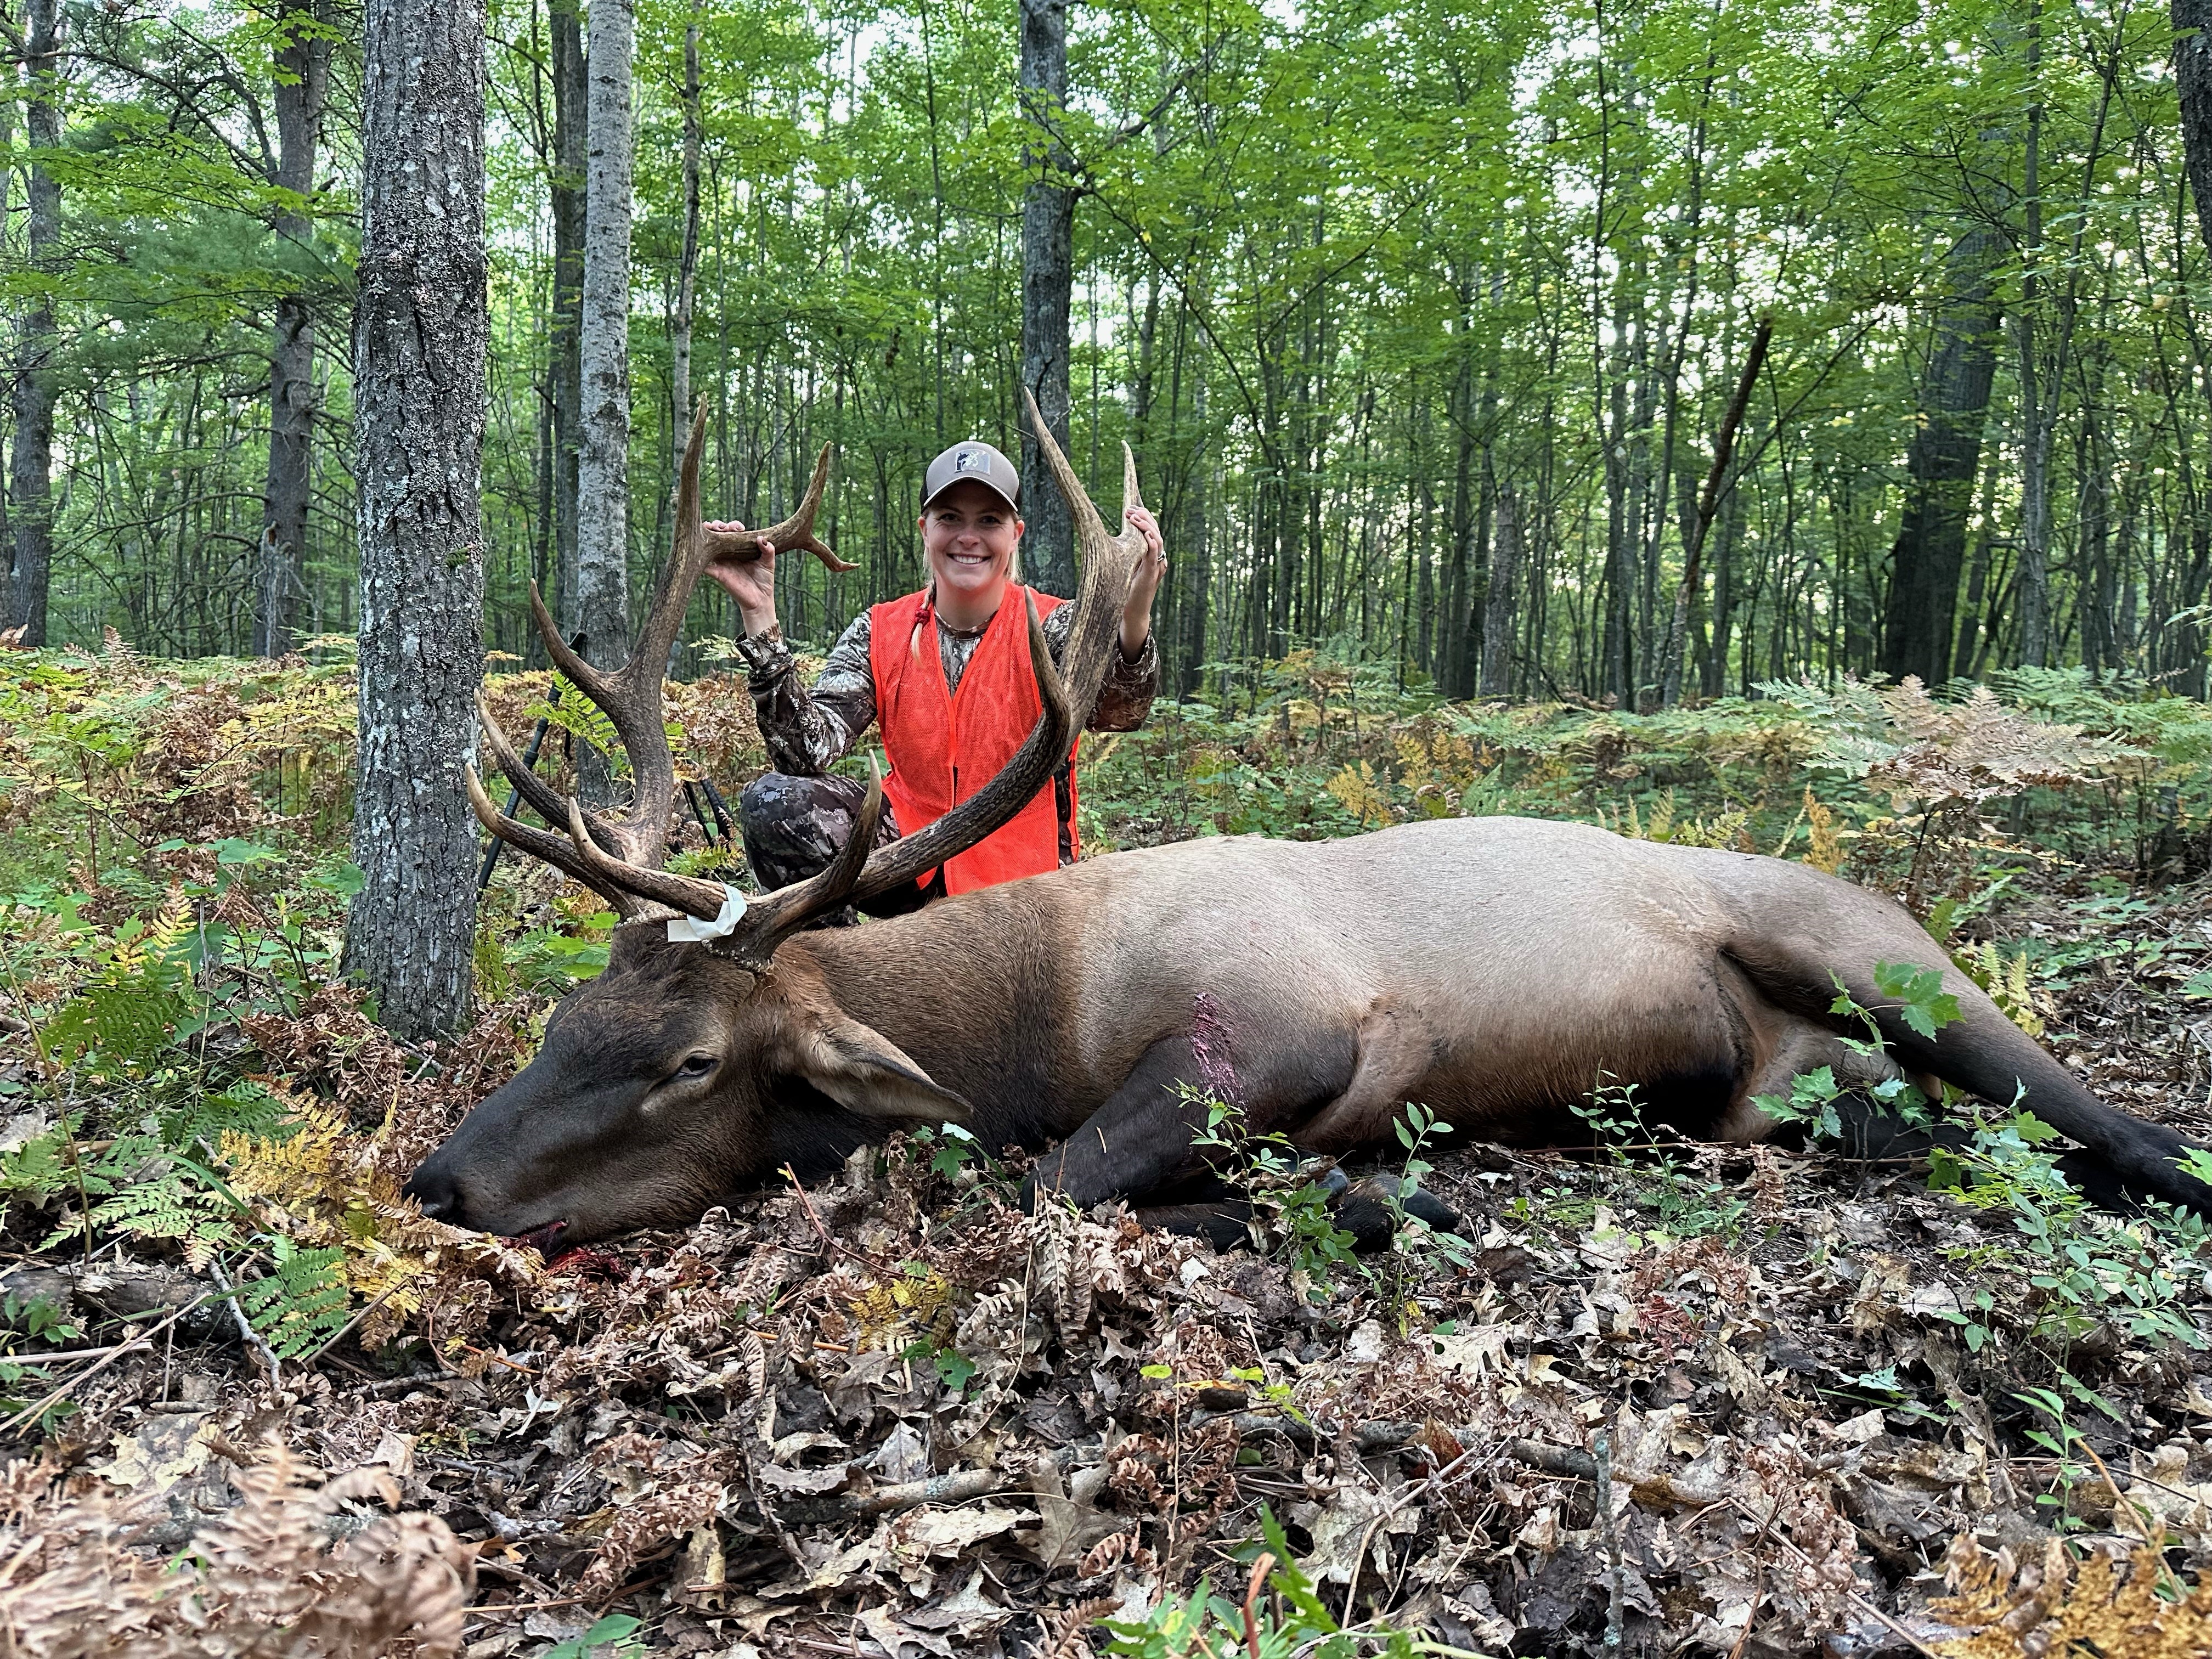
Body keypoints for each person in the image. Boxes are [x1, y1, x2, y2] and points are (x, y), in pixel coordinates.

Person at [703, 438, 1167, 916]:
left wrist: (1133, 617)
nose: (969, 536)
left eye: (989, 520)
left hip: (1027, 879)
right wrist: (760, 615)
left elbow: (1119, 713)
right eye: (950, 518)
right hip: (911, 856)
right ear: (926, 529)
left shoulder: (1055, 626)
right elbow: (804, 753)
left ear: (1016, 534)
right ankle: (839, 977)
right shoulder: (880, 631)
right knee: (777, 803)